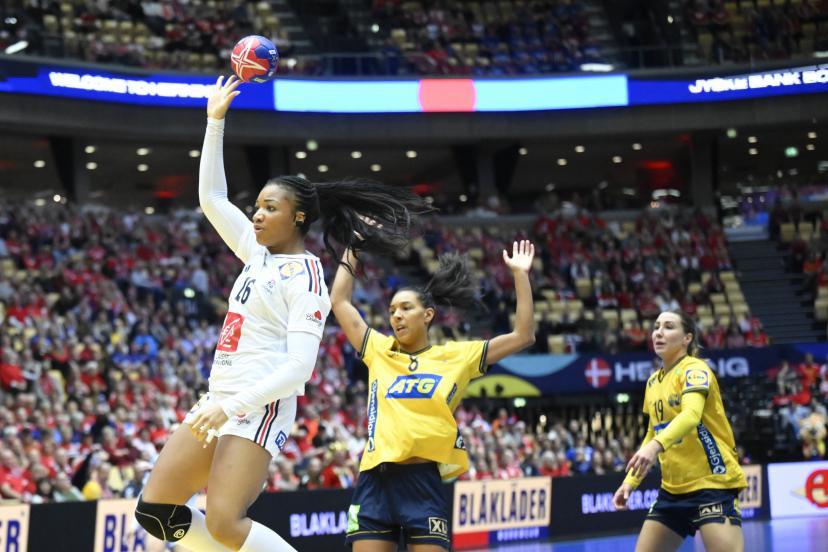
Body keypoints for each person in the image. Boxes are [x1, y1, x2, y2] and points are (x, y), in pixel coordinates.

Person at [134, 75, 431, 552]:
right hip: (220, 397)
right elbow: (211, 199)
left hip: (258, 405)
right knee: (155, 512)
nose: (255, 215)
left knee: (227, 523)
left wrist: (229, 407)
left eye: (269, 208)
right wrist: (215, 121)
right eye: (256, 206)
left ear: (297, 217)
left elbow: (300, 369)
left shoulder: (306, 276)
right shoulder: (257, 254)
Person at [331, 240, 536, 551]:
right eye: (392, 310)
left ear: (427, 315)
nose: (396, 316)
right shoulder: (378, 350)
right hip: (375, 481)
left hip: (422, 482)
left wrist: (520, 275)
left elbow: (523, 335)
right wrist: (353, 250)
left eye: (405, 308)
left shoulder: (457, 356)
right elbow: (340, 301)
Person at [613, 310, 747, 552]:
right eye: (656, 327)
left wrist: (655, 446)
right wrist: (630, 481)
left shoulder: (695, 369)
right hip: (672, 491)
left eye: (668, 326)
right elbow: (654, 432)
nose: (659, 332)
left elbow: (691, 415)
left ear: (687, 338)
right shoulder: (653, 382)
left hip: (712, 484)